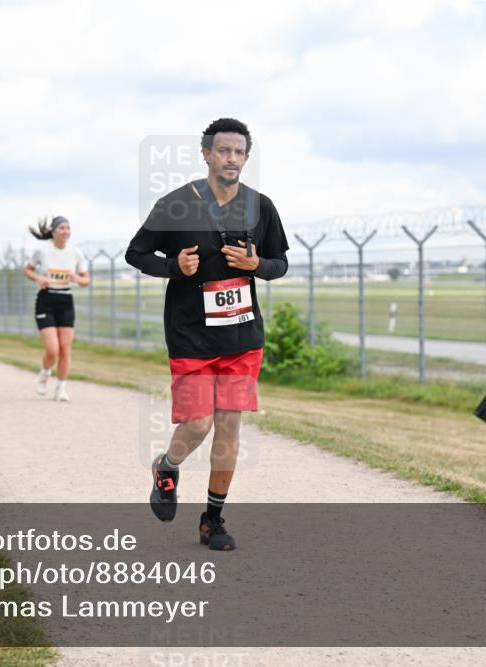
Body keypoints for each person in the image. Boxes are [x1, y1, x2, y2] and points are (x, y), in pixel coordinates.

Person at [126, 118, 289, 551]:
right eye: (223, 151)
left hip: (241, 336)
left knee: (229, 426)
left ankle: (212, 520)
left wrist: (257, 267)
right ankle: (167, 465)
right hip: (191, 335)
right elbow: (136, 253)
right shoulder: (176, 204)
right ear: (206, 154)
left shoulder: (261, 207)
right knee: (197, 425)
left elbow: (279, 265)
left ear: (246, 158)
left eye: (239, 152)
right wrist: (173, 266)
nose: (231, 158)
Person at [23, 216, 90, 402]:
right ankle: (45, 372)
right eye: (62, 228)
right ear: (53, 231)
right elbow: (27, 270)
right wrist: (39, 279)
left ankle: (61, 389)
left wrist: (76, 278)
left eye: (68, 228)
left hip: (65, 300)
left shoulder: (75, 252)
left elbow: (87, 280)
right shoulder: (42, 251)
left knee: (65, 350)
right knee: (53, 350)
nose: (65, 231)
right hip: (46, 300)